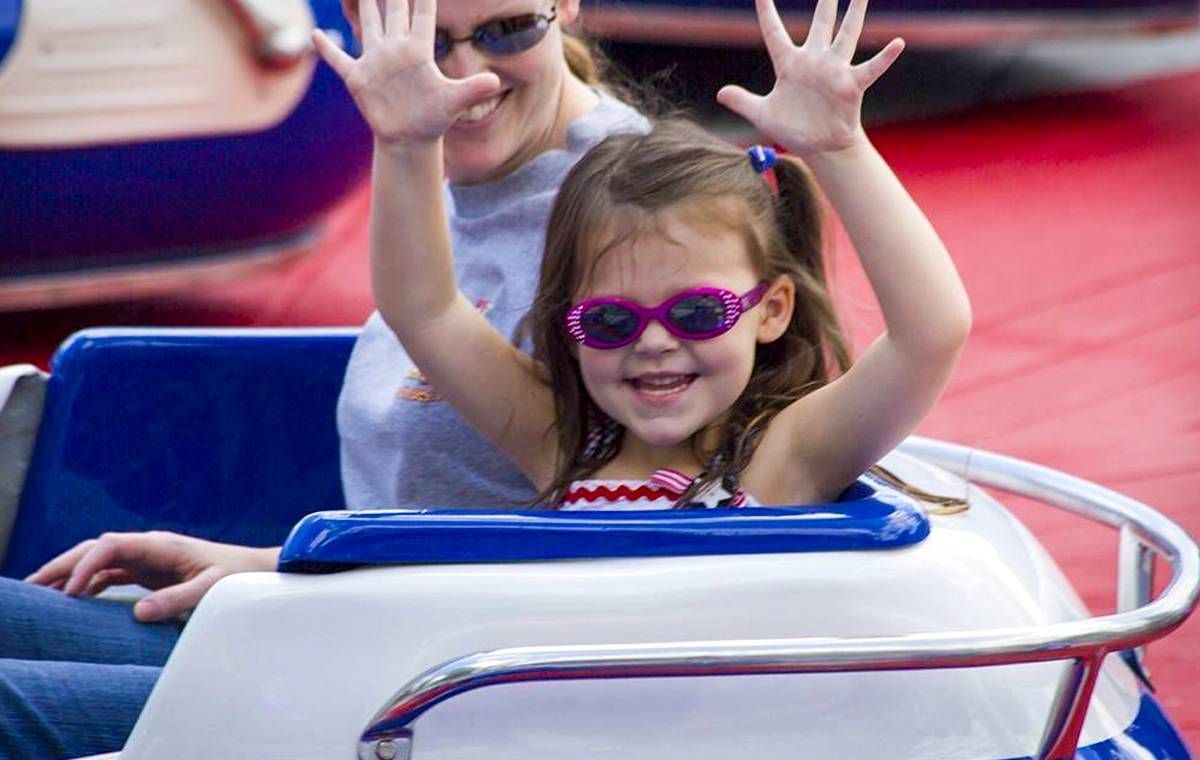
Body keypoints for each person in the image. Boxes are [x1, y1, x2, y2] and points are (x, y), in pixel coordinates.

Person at [0, 0, 649, 756]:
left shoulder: (634, 209)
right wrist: (269, 566)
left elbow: (619, 518)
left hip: (434, 686)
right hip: (343, 619)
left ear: (565, 7)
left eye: (508, 31)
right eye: (426, 40)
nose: (465, 74)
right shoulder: (442, 162)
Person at [322, 0, 971, 512]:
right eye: (610, 322)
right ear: (569, 332)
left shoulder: (788, 456)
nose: (655, 341)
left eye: (697, 313)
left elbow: (931, 333)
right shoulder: (561, 449)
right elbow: (425, 307)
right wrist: (405, 143)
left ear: (769, 310)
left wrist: (841, 149)